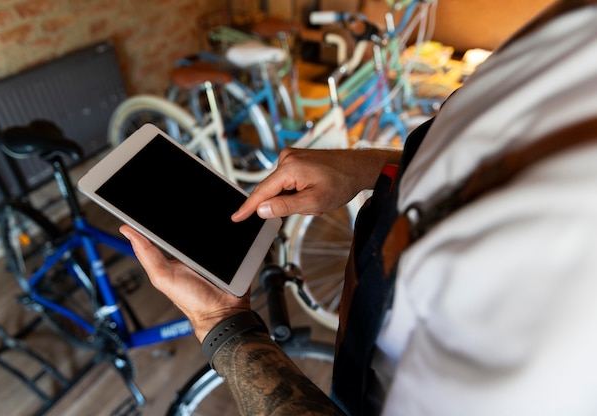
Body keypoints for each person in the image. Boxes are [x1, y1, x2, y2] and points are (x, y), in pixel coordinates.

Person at [119, 1, 597, 414]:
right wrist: (370, 167)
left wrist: (222, 325)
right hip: (359, 360)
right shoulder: (571, 29)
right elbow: (475, 166)